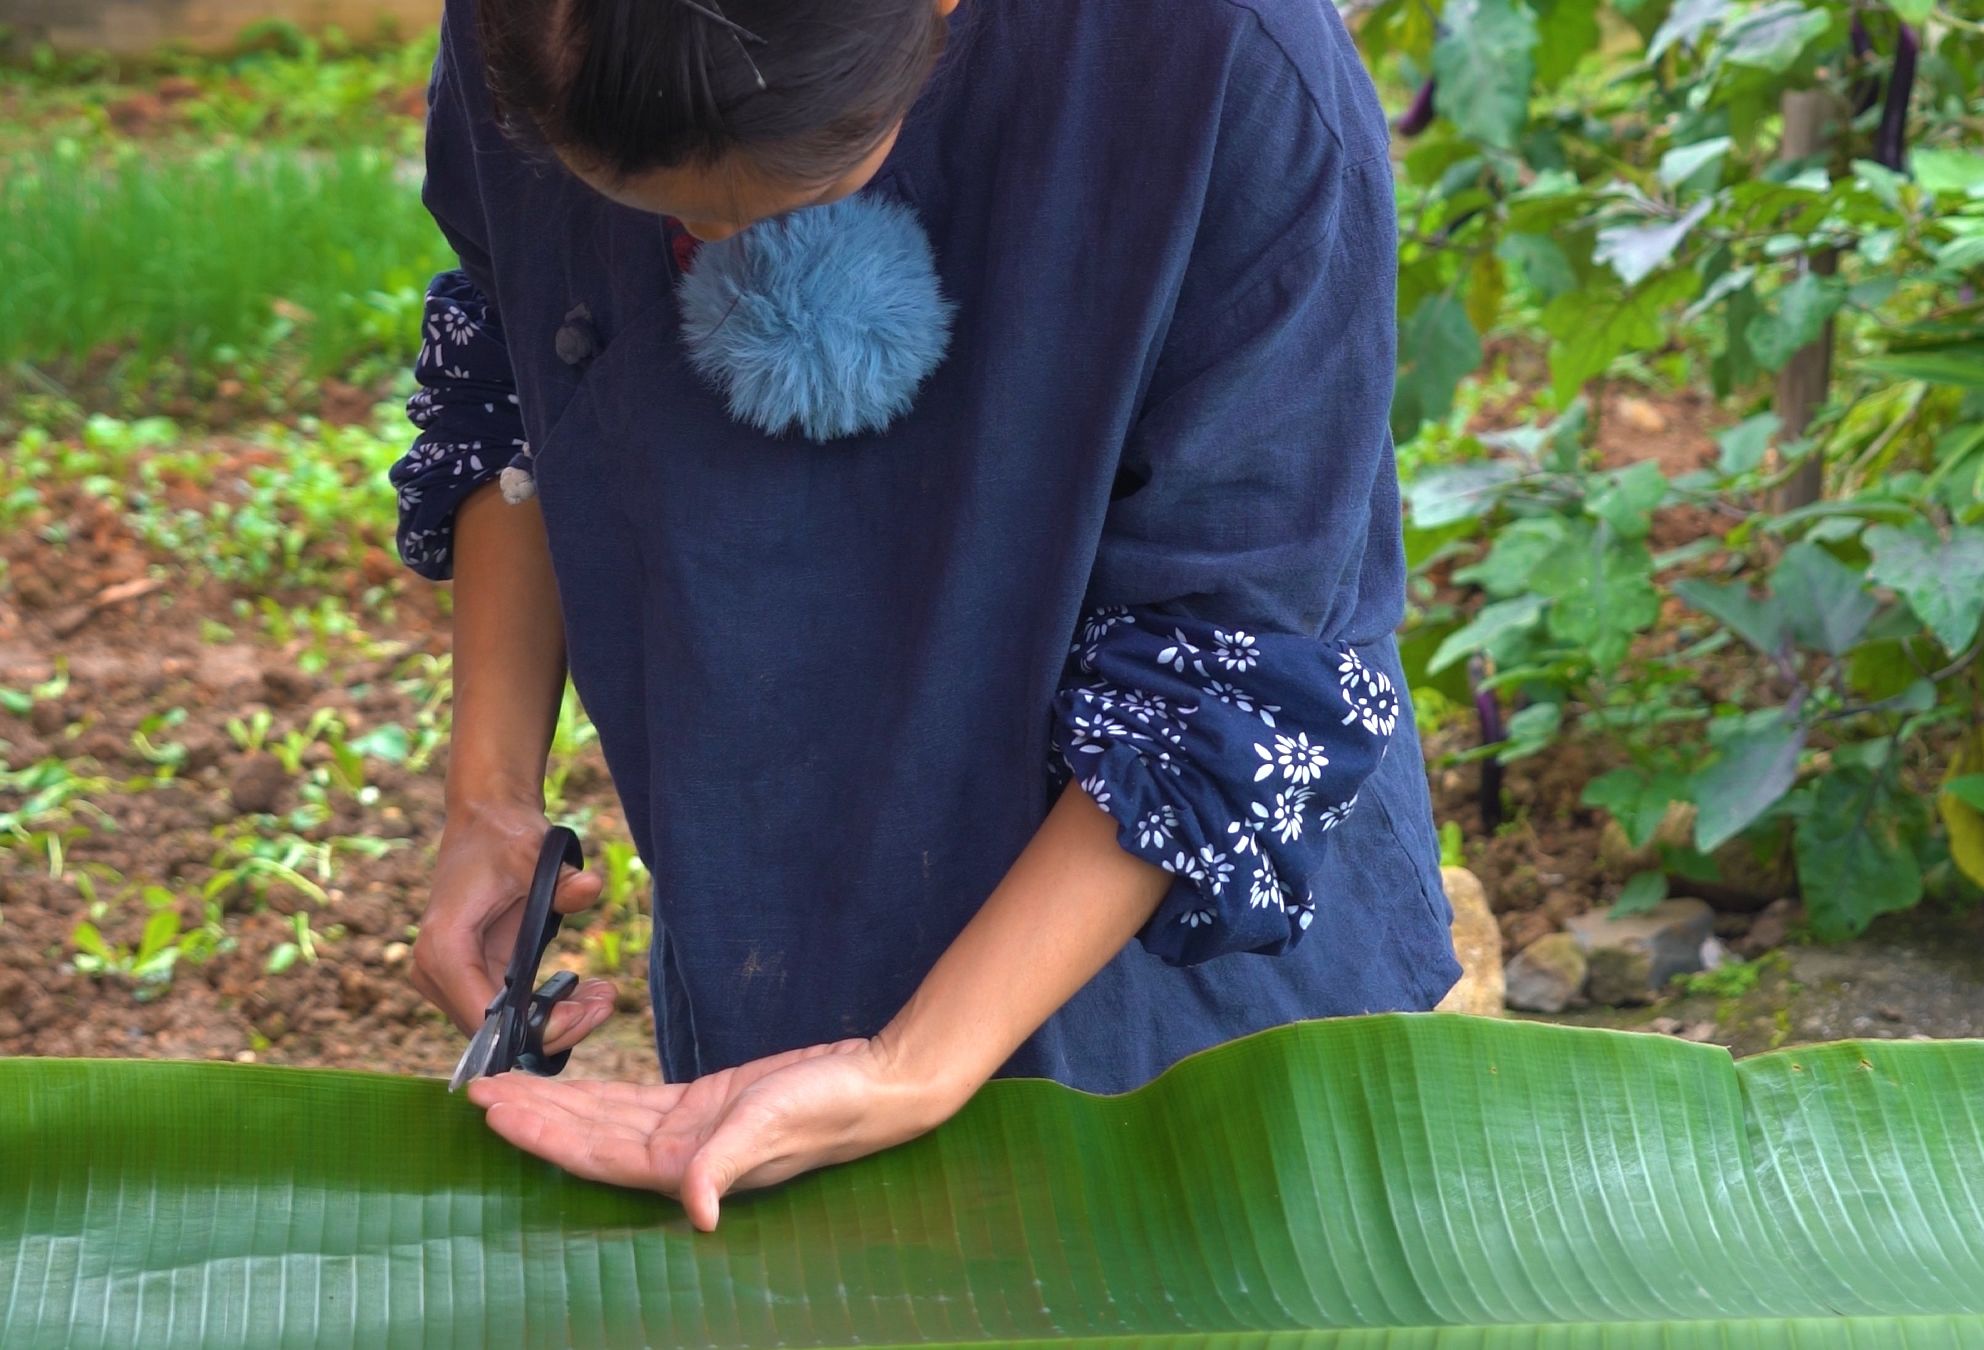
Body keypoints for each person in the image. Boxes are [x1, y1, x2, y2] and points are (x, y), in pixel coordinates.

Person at [395, 0, 1460, 1231]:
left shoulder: (1226, 60)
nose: (693, 244)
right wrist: (488, 803)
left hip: (1170, 954)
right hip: (770, 862)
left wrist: (915, 1065)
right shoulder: (539, 29)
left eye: (739, 206)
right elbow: (511, 379)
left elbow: (1234, 650)